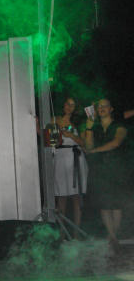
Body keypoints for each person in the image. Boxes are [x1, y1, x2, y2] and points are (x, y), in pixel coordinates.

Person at [84, 98, 128, 250]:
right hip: (99, 169)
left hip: (116, 169)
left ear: (111, 109)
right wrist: (88, 128)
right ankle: (112, 236)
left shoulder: (119, 126)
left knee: (116, 205)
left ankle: (114, 235)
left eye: (105, 106)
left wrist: (95, 151)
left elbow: (116, 143)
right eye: (99, 106)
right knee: (104, 204)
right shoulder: (95, 127)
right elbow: (88, 145)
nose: (101, 108)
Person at [53, 97, 88, 230]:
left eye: (72, 105)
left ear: (75, 108)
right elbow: (50, 141)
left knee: (76, 197)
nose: (69, 107)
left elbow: (85, 144)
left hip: (76, 158)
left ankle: (76, 233)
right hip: (60, 158)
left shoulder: (79, 123)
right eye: (67, 104)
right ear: (63, 105)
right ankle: (62, 233)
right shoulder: (54, 119)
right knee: (61, 197)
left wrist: (71, 135)